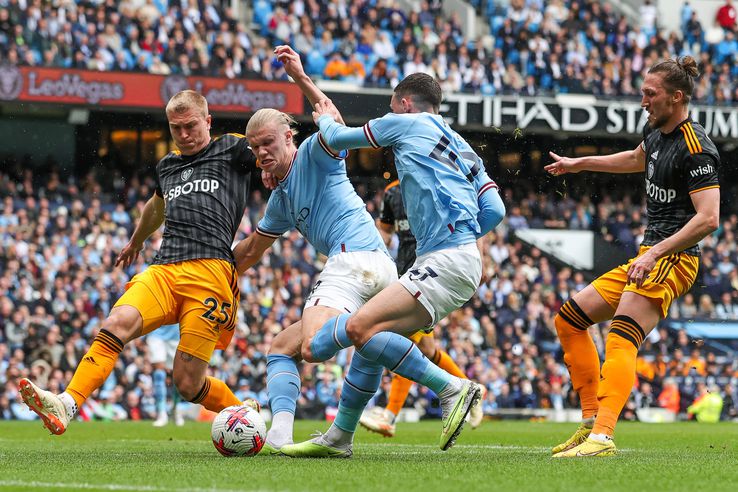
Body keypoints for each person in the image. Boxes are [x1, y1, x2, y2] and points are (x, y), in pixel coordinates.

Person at [279, 69, 505, 457]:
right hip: (462, 259)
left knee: (356, 327)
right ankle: (339, 438)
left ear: (403, 103)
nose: (390, 113)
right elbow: (495, 209)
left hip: (446, 258)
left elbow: (335, 139)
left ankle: (452, 387)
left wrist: (322, 119)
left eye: (391, 107)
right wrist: (461, 239)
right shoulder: (463, 146)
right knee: (370, 339)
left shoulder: (404, 123)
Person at [19, 90, 261, 434]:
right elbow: (156, 205)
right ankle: (67, 403)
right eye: (176, 128)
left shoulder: (233, 148)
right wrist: (137, 240)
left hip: (211, 272)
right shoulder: (168, 165)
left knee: (188, 383)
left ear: (208, 121)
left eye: (191, 125)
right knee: (116, 322)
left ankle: (242, 412)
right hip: (163, 269)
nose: (184, 134)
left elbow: (273, 155)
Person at [545, 56, 720, 457]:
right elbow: (636, 159)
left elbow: (708, 219)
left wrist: (656, 252)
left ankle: (603, 437)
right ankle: (591, 423)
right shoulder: (656, 131)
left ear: (676, 98)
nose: (642, 100)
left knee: (622, 336)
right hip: (649, 253)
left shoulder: (697, 148)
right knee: (569, 319)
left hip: (674, 257)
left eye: (650, 94)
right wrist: (579, 163)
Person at [231, 46, 397, 455]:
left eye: (268, 143)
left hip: (353, 259)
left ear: (289, 136)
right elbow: (250, 252)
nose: (261, 154)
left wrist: (300, 78)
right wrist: (208, 259)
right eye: (254, 149)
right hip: (375, 267)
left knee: (310, 345)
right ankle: (292, 435)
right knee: (282, 349)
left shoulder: (313, 154)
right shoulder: (281, 199)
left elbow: (334, 121)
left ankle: (448, 385)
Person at [359, 179, 486, 437]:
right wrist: (367, 245)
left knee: (405, 341)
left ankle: (390, 416)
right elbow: (385, 230)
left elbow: (474, 223)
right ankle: (472, 389)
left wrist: (480, 259)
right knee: (426, 348)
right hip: (403, 273)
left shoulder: (436, 183)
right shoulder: (392, 192)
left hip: (432, 273)